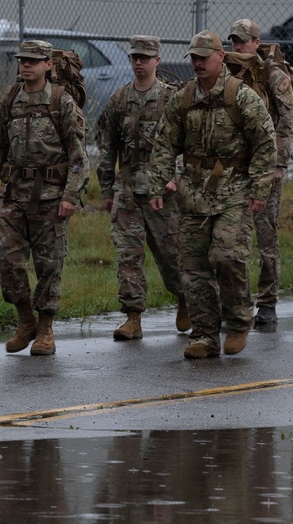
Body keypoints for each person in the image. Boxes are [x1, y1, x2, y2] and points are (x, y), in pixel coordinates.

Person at [148, 30, 276, 359]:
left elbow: (265, 142)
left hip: (234, 191)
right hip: (192, 194)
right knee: (192, 266)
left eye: (204, 57)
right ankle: (205, 334)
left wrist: (260, 187)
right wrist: (158, 184)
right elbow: (163, 144)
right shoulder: (184, 98)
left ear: (221, 57)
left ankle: (237, 321)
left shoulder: (241, 96)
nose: (198, 63)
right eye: (194, 57)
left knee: (228, 257)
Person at [0, 40, 89, 355]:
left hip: (51, 197)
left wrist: (70, 195)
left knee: (48, 264)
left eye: (33, 60)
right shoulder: (10, 99)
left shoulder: (61, 102)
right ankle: (26, 319)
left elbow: (79, 156)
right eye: (22, 60)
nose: (26, 65)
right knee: (4, 256)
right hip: (13, 195)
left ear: (48, 65)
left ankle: (45, 329)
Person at [96, 35, 189, 341]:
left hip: (163, 190)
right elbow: (107, 147)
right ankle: (133, 317)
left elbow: (186, 144)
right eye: (135, 57)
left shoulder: (172, 99)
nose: (139, 63)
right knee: (128, 255)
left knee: (170, 254)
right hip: (127, 191)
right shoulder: (119, 100)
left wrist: (176, 177)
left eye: (145, 58)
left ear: (157, 61)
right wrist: (107, 189)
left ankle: (186, 299)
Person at [227, 19, 293, 327]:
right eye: (233, 41)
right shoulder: (226, 73)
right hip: (230, 170)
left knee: (265, 236)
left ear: (256, 43)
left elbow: (288, 121)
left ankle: (267, 302)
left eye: (243, 41)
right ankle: (232, 303)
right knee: (227, 240)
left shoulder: (273, 76)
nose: (237, 46)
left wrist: (278, 164)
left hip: (264, 170)